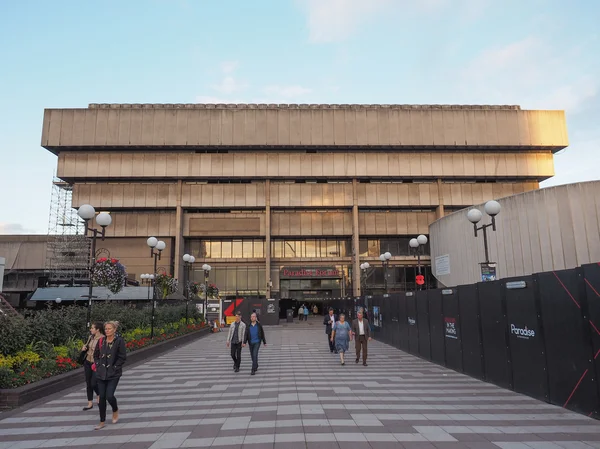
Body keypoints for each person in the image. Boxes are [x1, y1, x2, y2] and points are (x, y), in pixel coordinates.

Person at [93, 320, 127, 430]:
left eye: (109, 329)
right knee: (101, 397)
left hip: (113, 373)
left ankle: (115, 409)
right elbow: (96, 355)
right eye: (106, 329)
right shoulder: (101, 341)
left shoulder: (119, 341)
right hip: (101, 373)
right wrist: (98, 365)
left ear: (114, 330)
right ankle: (102, 421)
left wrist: (115, 367)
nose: (107, 331)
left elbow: (122, 356)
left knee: (109, 396)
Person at [81, 322, 104, 411]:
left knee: (93, 383)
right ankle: (89, 403)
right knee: (88, 382)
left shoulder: (102, 339)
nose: (90, 329)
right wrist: (84, 348)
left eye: (92, 328)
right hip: (87, 361)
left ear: (97, 330)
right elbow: (87, 347)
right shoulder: (91, 337)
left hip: (96, 363)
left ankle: (99, 394)